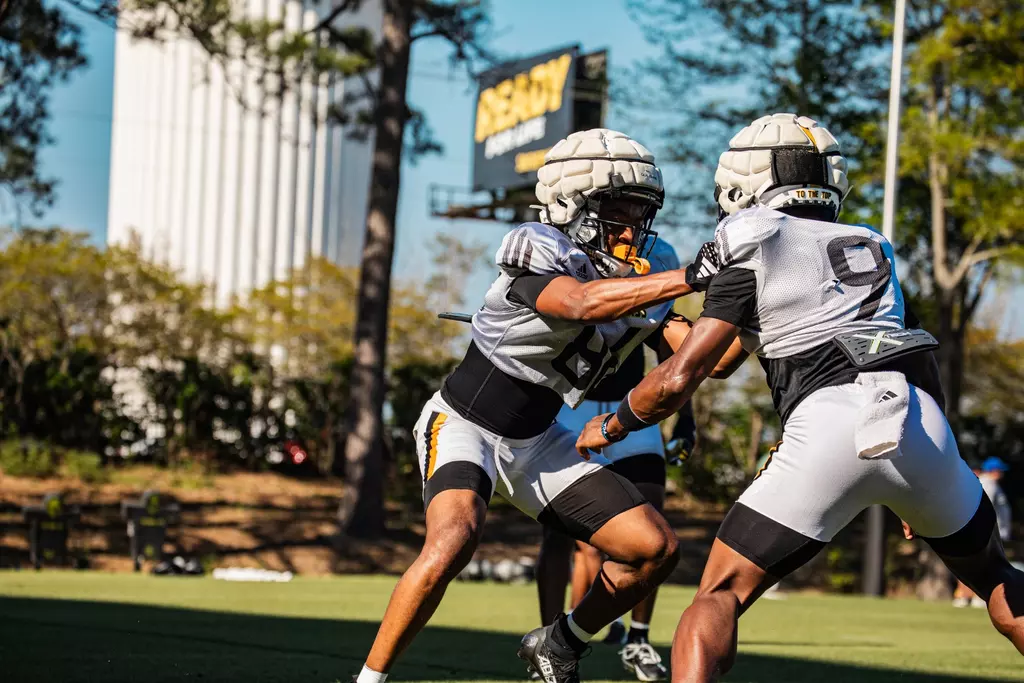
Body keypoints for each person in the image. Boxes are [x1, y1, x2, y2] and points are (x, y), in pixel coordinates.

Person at [575, 113, 1024, 681]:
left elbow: (679, 378)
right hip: (916, 419)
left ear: (744, 181)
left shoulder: (753, 237)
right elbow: (916, 356)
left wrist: (612, 425)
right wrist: (936, 465)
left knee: (718, 595)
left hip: (828, 422)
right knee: (1000, 582)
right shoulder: (871, 243)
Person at [351, 128, 743, 683]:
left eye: (641, 212)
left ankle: (559, 642)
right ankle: (370, 680)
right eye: (617, 211)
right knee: (453, 540)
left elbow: (713, 359)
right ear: (570, 201)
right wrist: (686, 278)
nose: (632, 228)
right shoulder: (536, 241)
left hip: (538, 439)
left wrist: (744, 301)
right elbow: (579, 303)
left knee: (653, 548)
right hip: (466, 422)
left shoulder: (648, 261)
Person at [538, 338, 698, 682]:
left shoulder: (650, 285)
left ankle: (638, 639)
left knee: (653, 528)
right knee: (556, 536)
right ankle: (546, 645)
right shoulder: (570, 280)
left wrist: (686, 416)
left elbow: (675, 349)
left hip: (633, 408)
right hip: (572, 409)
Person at [955, 458, 1014, 607]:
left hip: (986, 530)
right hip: (987, 531)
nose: (1001, 473)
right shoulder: (989, 483)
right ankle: (973, 597)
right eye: (1000, 470)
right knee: (982, 565)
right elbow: (983, 506)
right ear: (994, 470)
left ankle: (968, 596)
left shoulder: (985, 482)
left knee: (977, 564)